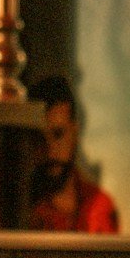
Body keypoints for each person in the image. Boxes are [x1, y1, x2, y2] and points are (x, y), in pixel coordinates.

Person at [28, 75, 118, 234]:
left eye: (58, 134)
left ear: (75, 131)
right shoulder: (20, 208)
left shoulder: (99, 206)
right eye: (39, 138)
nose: (51, 149)